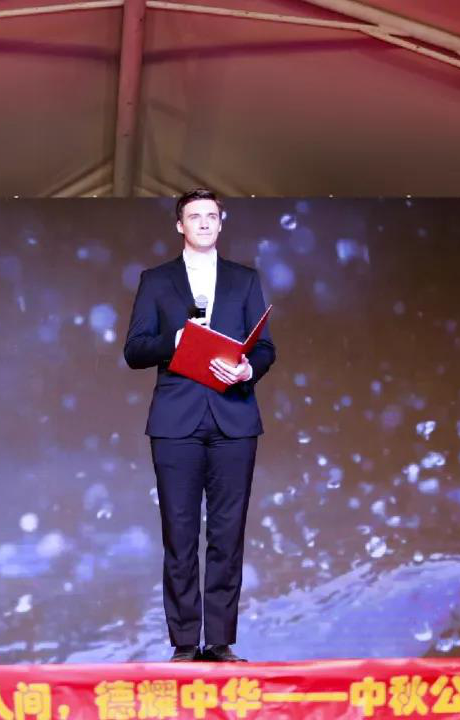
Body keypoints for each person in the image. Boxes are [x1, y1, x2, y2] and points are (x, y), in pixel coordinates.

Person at [124, 189, 275, 662]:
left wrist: (248, 369)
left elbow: (265, 348)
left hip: (234, 417)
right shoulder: (156, 280)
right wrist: (174, 340)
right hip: (176, 421)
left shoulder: (244, 279)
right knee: (180, 534)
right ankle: (186, 643)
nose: (205, 223)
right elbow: (134, 350)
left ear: (221, 223)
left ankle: (221, 642)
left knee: (227, 536)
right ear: (180, 225)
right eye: (195, 216)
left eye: (212, 216)